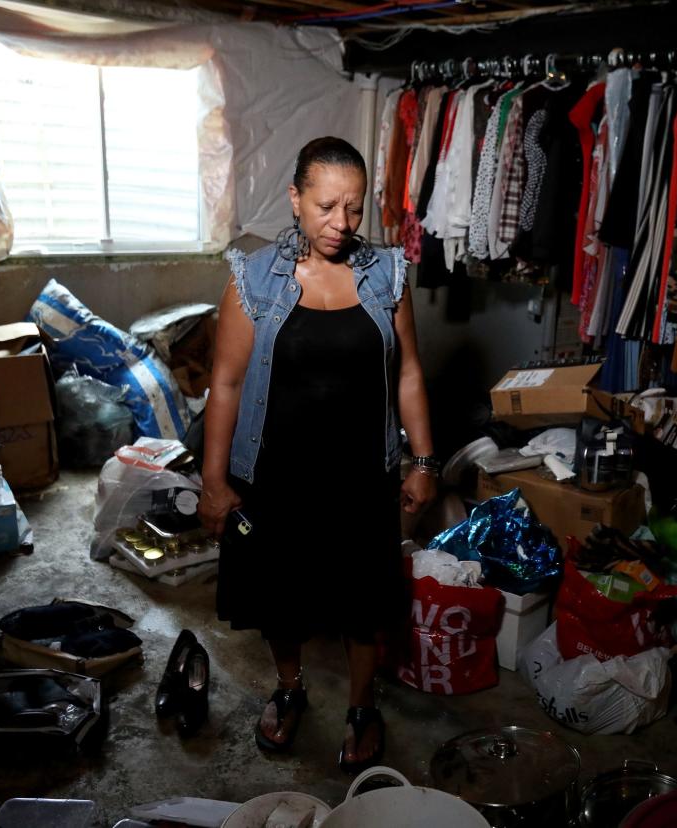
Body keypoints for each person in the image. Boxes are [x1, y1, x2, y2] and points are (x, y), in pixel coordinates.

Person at [199, 136, 438, 772]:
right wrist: (214, 480)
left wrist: (424, 460)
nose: (341, 224)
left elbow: (409, 372)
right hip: (278, 477)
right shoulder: (253, 278)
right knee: (283, 597)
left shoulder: (386, 275)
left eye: (354, 209)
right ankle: (290, 687)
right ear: (296, 200)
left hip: (363, 476)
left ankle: (362, 707)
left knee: (364, 603)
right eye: (326, 205)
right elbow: (223, 383)